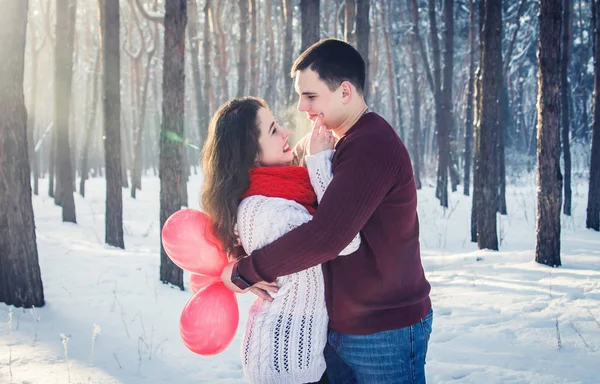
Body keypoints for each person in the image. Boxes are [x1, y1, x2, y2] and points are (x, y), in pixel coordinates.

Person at [221, 39, 433, 384]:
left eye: (311, 96)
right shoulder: (322, 143)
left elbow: (328, 237)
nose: (302, 107)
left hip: (384, 330)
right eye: (300, 95)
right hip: (337, 331)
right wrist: (234, 253)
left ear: (345, 91)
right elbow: (272, 198)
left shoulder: (371, 145)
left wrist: (247, 271)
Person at [201, 97, 361, 384]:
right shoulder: (270, 210)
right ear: (250, 154)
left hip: (289, 355)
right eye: (273, 130)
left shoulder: (275, 195)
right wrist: (320, 161)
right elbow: (343, 239)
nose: (286, 132)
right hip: (286, 361)